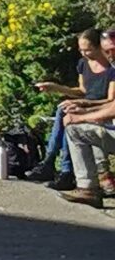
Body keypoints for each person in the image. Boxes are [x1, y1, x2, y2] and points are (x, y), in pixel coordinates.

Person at [39, 28, 112, 185]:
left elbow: (110, 101)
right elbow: (82, 91)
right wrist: (56, 88)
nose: (84, 54)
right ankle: (50, 161)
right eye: (81, 50)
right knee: (64, 110)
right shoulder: (83, 64)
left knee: (71, 119)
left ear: (100, 47)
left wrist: (83, 106)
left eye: (88, 50)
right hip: (86, 104)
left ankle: (65, 169)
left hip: (100, 108)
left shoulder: (111, 69)